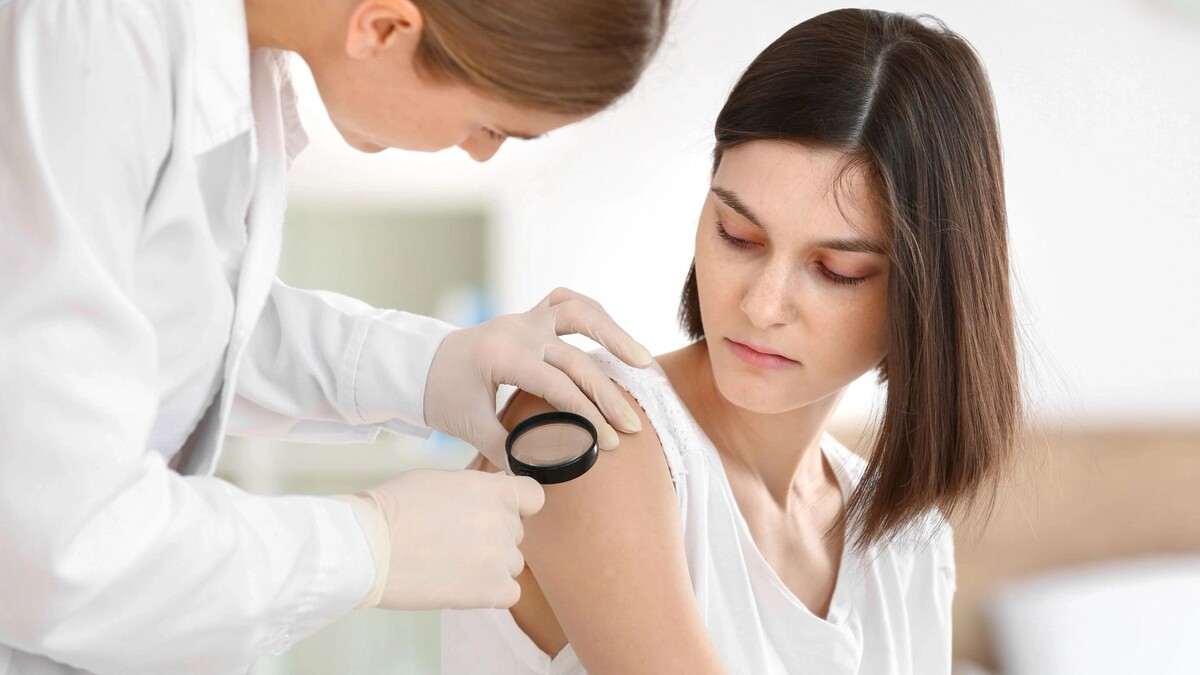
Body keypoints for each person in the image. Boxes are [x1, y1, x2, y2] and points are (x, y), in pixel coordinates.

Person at [0, 0, 673, 673]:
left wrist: (433, 367)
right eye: (489, 126)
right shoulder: (92, 41)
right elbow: (55, 541)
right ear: (383, 29)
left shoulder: (233, 52)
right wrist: (366, 547)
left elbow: (170, 311)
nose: (479, 152)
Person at [444, 8, 1021, 674]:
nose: (762, 305)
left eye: (837, 270)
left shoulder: (910, 544)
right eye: (737, 235)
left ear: (930, 296)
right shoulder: (586, 430)